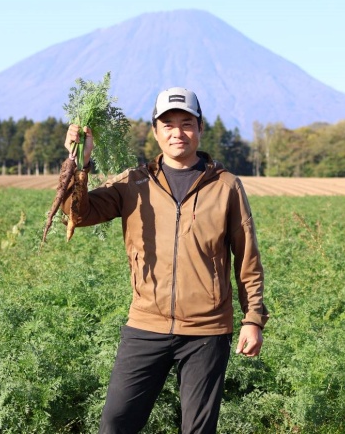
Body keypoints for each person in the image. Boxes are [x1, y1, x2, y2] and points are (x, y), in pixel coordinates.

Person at [62, 87, 268, 434]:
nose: (177, 132)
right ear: (155, 131)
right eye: (168, 124)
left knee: (197, 430)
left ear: (200, 129)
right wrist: (77, 162)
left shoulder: (226, 187)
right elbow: (79, 214)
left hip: (207, 329)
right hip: (146, 324)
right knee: (115, 424)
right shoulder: (133, 183)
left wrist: (254, 320)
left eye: (186, 123)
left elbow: (247, 258)